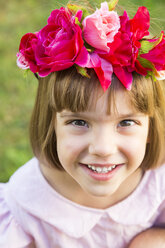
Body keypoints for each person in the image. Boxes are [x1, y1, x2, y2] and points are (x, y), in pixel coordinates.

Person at [0, 0, 165, 247]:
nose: (103, 148)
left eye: (126, 122)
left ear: (150, 127)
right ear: (52, 124)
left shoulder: (158, 184)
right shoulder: (24, 210)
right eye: (79, 121)